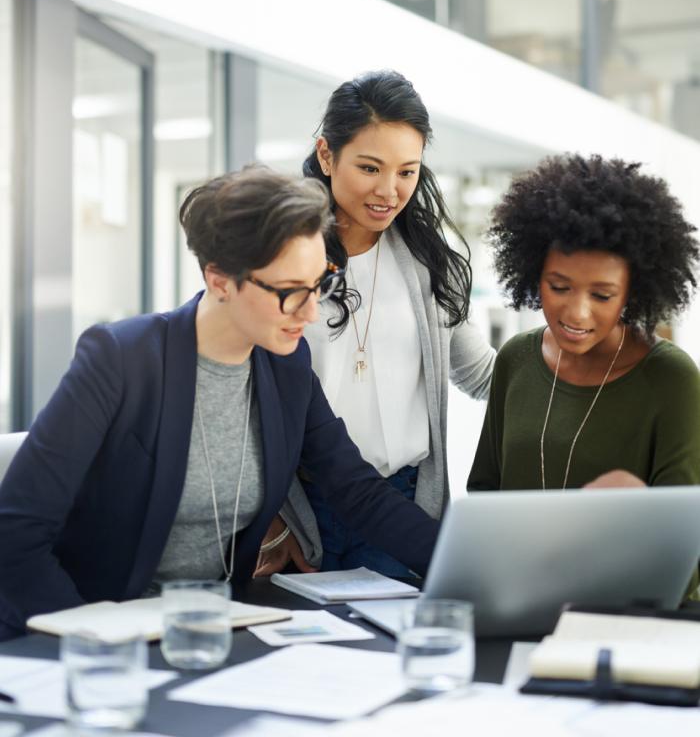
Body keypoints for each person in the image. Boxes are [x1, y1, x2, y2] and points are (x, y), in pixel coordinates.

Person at [0, 166, 441, 641]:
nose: (311, 312)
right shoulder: (121, 359)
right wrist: (99, 644)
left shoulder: (286, 367)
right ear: (221, 280)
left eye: (319, 285)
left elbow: (357, 492)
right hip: (94, 632)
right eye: (291, 293)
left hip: (213, 631)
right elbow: (17, 531)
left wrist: (459, 566)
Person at [256, 70, 495, 577]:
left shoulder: (430, 262)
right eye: (370, 167)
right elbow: (244, 394)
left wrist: (584, 357)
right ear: (326, 155)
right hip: (302, 509)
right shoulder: (278, 256)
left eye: (407, 172)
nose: (389, 190)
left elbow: (481, 374)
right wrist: (274, 519)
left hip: (404, 505)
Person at [467, 154, 700, 494]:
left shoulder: (671, 378)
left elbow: (681, 530)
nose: (577, 313)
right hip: (513, 550)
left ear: (631, 293)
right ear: (534, 275)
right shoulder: (515, 359)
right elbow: (484, 491)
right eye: (559, 287)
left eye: (602, 295)